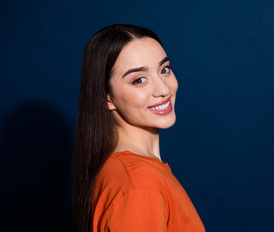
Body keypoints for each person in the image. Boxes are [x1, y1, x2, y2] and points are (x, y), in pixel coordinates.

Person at [73, 24, 205, 232]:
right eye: (139, 80)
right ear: (106, 97)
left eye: (165, 70)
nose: (163, 89)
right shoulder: (139, 185)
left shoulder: (135, 174)